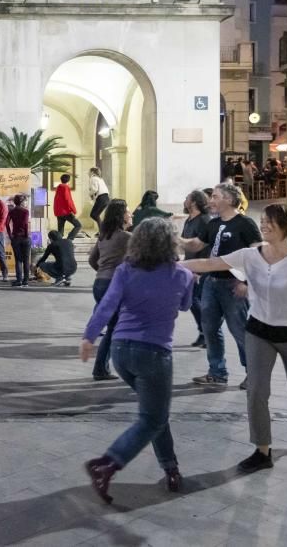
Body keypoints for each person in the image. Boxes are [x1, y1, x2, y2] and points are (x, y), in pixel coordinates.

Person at [182, 204, 287, 474]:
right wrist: (171, 265)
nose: (263, 224)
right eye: (262, 220)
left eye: (270, 221)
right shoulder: (249, 256)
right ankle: (263, 451)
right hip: (258, 332)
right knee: (256, 392)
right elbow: (209, 263)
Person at [79, 218, 195, 504]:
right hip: (154, 354)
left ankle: (171, 468)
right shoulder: (182, 275)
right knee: (152, 417)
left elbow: (107, 305)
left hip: (120, 351)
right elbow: (185, 305)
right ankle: (108, 463)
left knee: (155, 414)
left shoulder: (125, 270)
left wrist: (89, 337)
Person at [181, 182, 262, 388]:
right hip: (212, 282)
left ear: (228, 199)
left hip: (233, 284)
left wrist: (245, 281)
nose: (211, 201)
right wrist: (174, 238)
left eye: (215, 196)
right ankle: (217, 372)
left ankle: (254, 374)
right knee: (209, 329)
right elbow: (197, 245)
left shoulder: (245, 224)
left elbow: (257, 255)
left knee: (240, 330)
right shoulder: (213, 224)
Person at [87, 199, 132, 381]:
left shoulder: (103, 236)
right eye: (128, 212)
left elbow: (92, 260)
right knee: (115, 328)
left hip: (99, 284)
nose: (131, 214)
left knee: (115, 325)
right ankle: (101, 369)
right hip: (113, 285)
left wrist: (103, 272)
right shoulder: (126, 238)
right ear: (121, 216)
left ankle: (105, 366)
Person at [181, 190, 211, 348]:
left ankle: (206, 332)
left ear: (193, 202)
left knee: (194, 299)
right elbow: (184, 242)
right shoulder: (189, 220)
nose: (184, 200)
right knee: (192, 300)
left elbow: (206, 246)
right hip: (189, 265)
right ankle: (204, 332)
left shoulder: (205, 221)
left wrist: (198, 271)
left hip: (201, 268)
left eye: (187, 197)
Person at [6, 193, 31, 287]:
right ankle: (26, 281)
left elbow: (6, 223)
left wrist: (10, 234)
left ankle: (19, 280)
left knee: (18, 260)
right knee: (26, 259)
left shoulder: (12, 211)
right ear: (22, 201)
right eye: (24, 200)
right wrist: (26, 234)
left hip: (15, 237)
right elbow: (25, 224)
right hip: (24, 237)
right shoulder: (25, 211)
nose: (25, 202)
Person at [54, 174, 82, 240]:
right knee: (78, 225)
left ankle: (59, 244)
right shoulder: (65, 187)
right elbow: (68, 200)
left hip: (58, 212)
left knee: (60, 231)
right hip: (65, 212)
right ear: (68, 180)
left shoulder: (58, 187)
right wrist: (74, 210)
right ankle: (69, 239)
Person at [87, 167, 110, 233]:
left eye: (89, 171)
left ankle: (103, 230)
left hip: (101, 198)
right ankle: (102, 230)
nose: (88, 173)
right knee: (96, 215)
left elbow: (94, 189)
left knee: (93, 215)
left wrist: (90, 194)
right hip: (106, 198)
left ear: (92, 172)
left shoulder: (93, 178)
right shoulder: (100, 179)